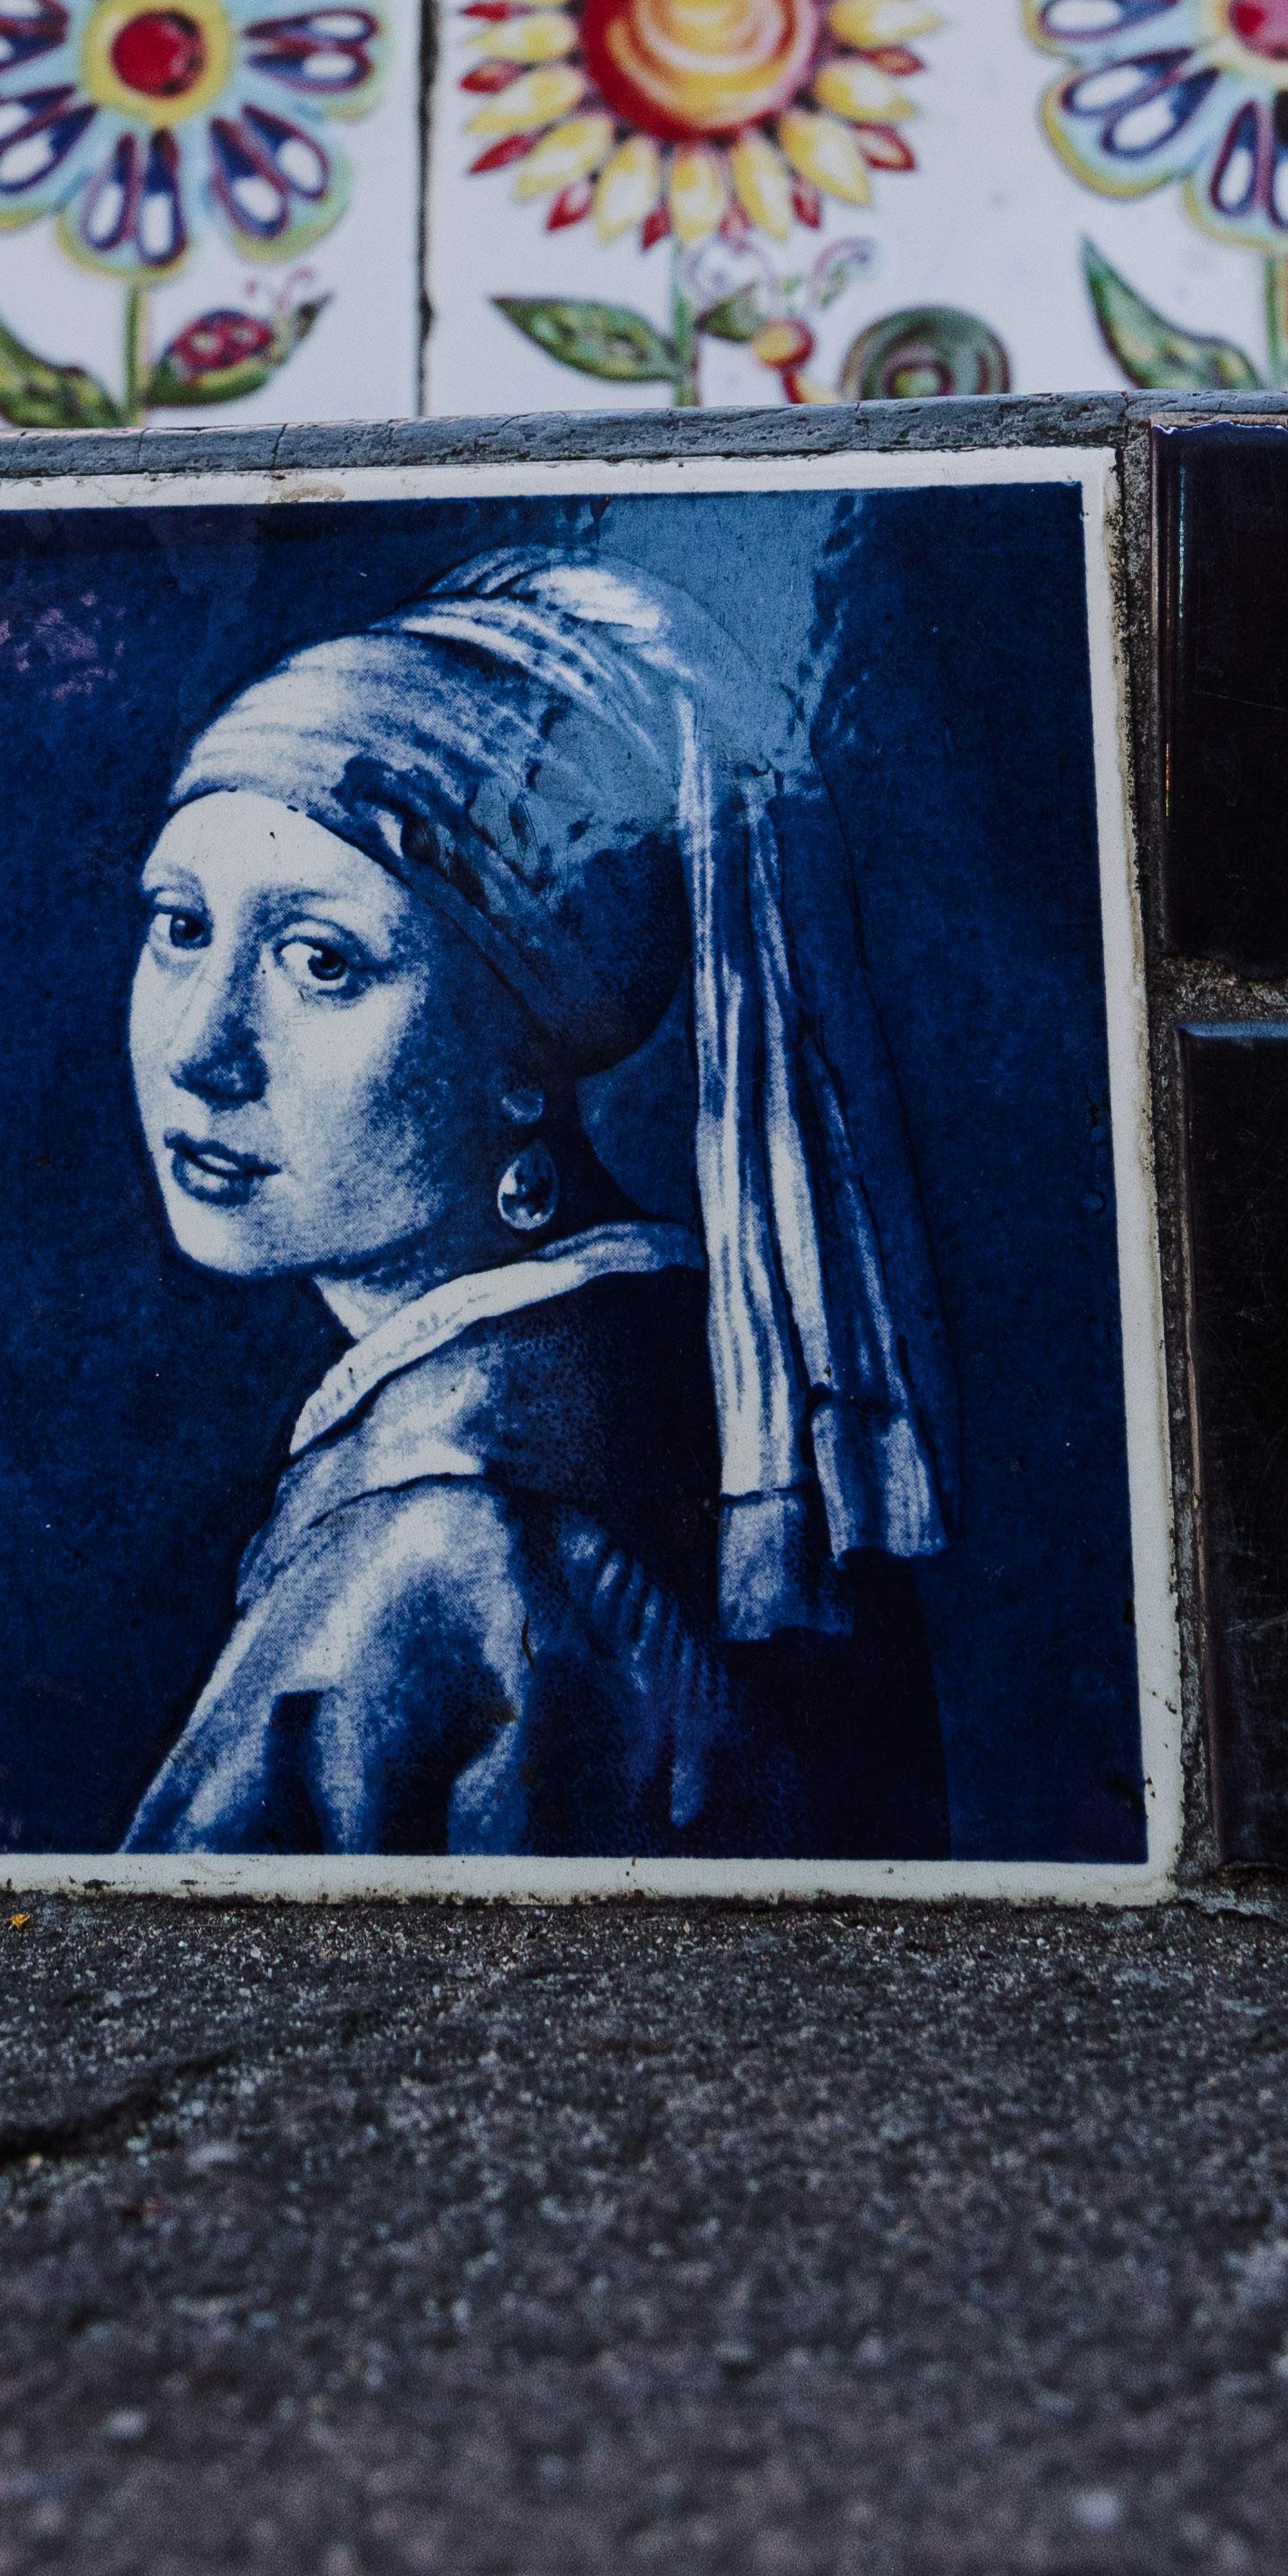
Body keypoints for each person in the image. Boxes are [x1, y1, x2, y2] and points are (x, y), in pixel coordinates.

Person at [120, 534, 954, 1861]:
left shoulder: (441, 1535)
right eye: (180, 926)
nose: (201, 1050)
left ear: (527, 1054)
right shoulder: (698, 1380)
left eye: (321, 961)